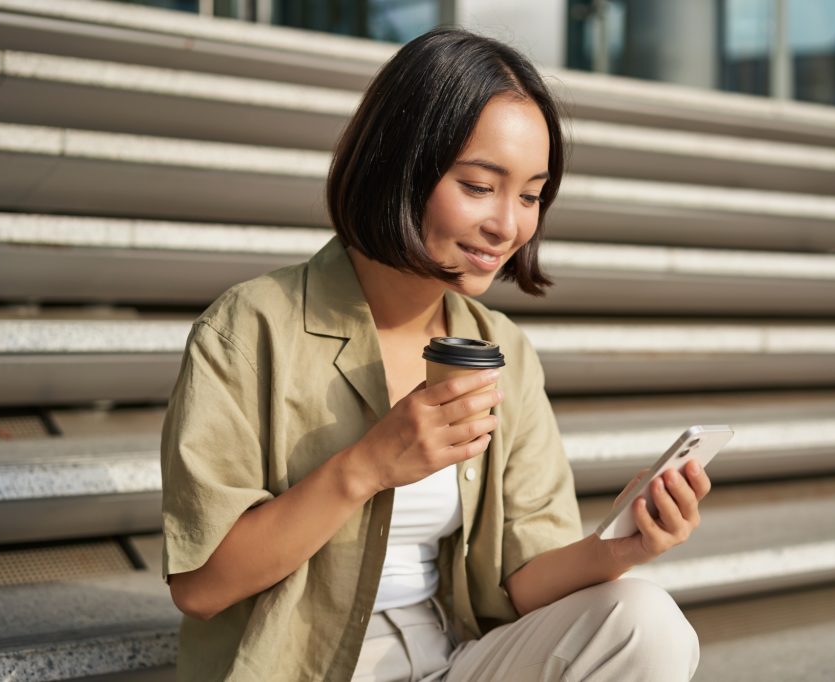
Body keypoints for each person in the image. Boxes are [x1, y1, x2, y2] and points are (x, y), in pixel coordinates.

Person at [160, 27, 710, 682]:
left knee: (644, 624)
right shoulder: (250, 329)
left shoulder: (501, 350)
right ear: (401, 165)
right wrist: (367, 465)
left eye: (531, 195)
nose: (508, 225)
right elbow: (200, 588)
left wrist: (619, 547)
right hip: (296, 667)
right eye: (480, 186)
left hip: (446, 661)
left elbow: (522, 582)